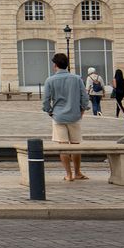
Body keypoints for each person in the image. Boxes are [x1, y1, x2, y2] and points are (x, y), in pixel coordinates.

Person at [42, 52, 91, 181]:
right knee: (75, 145)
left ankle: (68, 174)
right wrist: (82, 109)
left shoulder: (50, 80)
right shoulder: (76, 78)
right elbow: (84, 97)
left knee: (63, 146)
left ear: (55, 65)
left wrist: (49, 111)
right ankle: (78, 172)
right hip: (74, 115)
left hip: (58, 116)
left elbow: (46, 100)